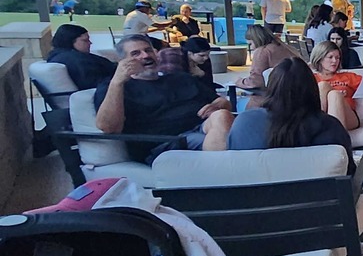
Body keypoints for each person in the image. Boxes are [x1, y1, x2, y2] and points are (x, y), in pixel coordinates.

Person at [94, 34, 233, 163]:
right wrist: (117, 82)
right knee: (232, 142)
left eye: (148, 50)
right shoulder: (115, 87)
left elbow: (222, 102)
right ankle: (221, 173)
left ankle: (224, 171)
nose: (146, 55)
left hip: (203, 127)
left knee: (228, 117)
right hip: (166, 143)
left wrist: (218, 105)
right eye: (136, 53)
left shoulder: (181, 78)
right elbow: (108, 128)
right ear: (123, 62)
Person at [227, 57, 352, 166]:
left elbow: (234, 169)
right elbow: (348, 174)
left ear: (271, 88)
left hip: (256, 186)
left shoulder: (244, 124)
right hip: (315, 187)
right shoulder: (330, 127)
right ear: (312, 88)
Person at [310, 41, 363, 132]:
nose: (335, 61)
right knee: (323, 86)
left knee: (334, 95)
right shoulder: (311, 78)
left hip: (348, 116)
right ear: (319, 58)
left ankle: (318, 128)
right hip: (323, 116)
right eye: (330, 57)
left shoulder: (348, 77)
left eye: (337, 58)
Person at [236, 24, 300, 107]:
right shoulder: (289, 48)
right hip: (297, 94)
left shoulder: (262, 52)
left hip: (276, 98)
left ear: (257, 40)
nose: (250, 48)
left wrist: (239, 82)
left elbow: (256, 81)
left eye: (250, 44)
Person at [46, 24, 116, 90]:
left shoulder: (57, 56)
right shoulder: (78, 61)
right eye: (85, 40)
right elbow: (95, 82)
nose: (90, 43)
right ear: (70, 41)